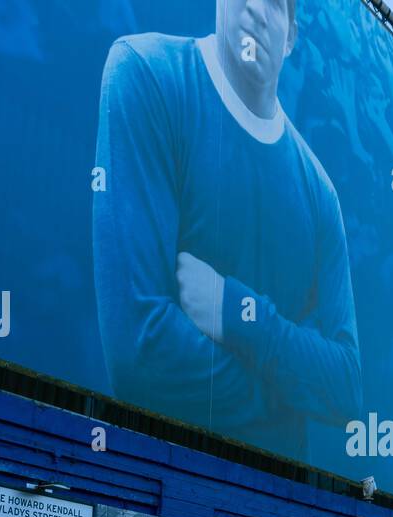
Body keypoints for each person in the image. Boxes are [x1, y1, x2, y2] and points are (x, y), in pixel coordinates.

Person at [93, 0, 362, 458]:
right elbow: (138, 355)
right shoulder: (146, 74)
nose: (256, 8)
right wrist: (286, 396)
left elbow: (345, 390)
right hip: (152, 480)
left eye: (276, 3)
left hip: (278, 498)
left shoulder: (320, 193)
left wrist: (232, 311)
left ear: (291, 36)